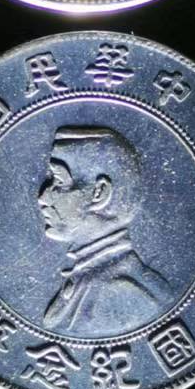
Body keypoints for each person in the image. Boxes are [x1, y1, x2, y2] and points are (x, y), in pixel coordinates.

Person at [36, 125, 173, 335]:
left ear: (99, 193)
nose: (43, 197)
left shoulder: (122, 292)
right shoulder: (89, 277)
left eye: (59, 182)